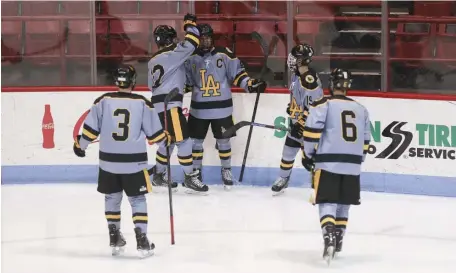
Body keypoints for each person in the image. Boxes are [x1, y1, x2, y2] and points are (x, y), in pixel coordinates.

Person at [73, 64, 170, 258]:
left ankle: (114, 236)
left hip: (108, 162)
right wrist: (166, 142)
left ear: (116, 81)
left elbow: (90, 131)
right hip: (134, 163)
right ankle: (142, 239)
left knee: (111, 198)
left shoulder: (103, 101)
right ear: (133, 82)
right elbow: (157, 136)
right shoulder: (143, 103)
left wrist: (80, 147)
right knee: (137, 199)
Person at [299, 68, 371, 263]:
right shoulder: (361, 109)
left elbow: (312, 132)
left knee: (327, 201)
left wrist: (308, 154)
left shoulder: (324, 104)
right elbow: (366, 140)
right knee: (344, 203)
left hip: (328, 162)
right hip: (353, 165)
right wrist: (358, 160)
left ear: (331, 84)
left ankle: (328, 236)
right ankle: (338, 238)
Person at [183, 23, 266, 190]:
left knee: (224, 141)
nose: (205, 41)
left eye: (207, 37)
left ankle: (226, 170)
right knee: (196, 143)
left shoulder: (225, 54)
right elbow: (186, 83)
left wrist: (250, 84)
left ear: (212, 38)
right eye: (201, 38)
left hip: (222, 109)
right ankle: (197, 173)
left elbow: (238, 75)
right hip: (198, 110)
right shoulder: (190, 57)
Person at [148, 14, 208, 193]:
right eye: (173, 38)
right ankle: (190, 177)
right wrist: (190, 24)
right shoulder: (173, 55)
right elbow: (192, 42)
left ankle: (158, 175)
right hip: (171, 104)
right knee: (184, 142)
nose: (176, 41)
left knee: (169, 141)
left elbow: (152, 86)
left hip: (158, 106)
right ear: (167, 40)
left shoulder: (152, 60)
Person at [271, 44, 324, 194]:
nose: (291, 59)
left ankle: (319, 183)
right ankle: (283, 178)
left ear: (301, 61)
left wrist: (301, 123)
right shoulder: (296, 76)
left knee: (312, 158)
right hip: (297, 123)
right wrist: (292, 108)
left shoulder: (309, 80)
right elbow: (298, 100)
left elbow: (315, 107)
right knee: (288, 151)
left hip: (310, 127)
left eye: (294, 57)